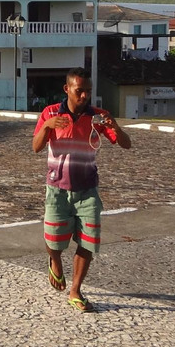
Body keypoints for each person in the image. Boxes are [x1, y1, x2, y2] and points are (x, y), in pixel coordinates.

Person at [32, 67, 132, 312]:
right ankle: (54, 261)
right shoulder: (50, 113)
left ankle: (75, 290)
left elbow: (126, 145)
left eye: (88, 91)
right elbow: (35, 147)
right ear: (67, 89)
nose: (85, 96)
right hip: (57, 188)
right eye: (80, 91)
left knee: (89, 241)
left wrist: (116, 127)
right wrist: (47, 127)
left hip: (88, 189)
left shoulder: (98, 117)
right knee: (54, 241)